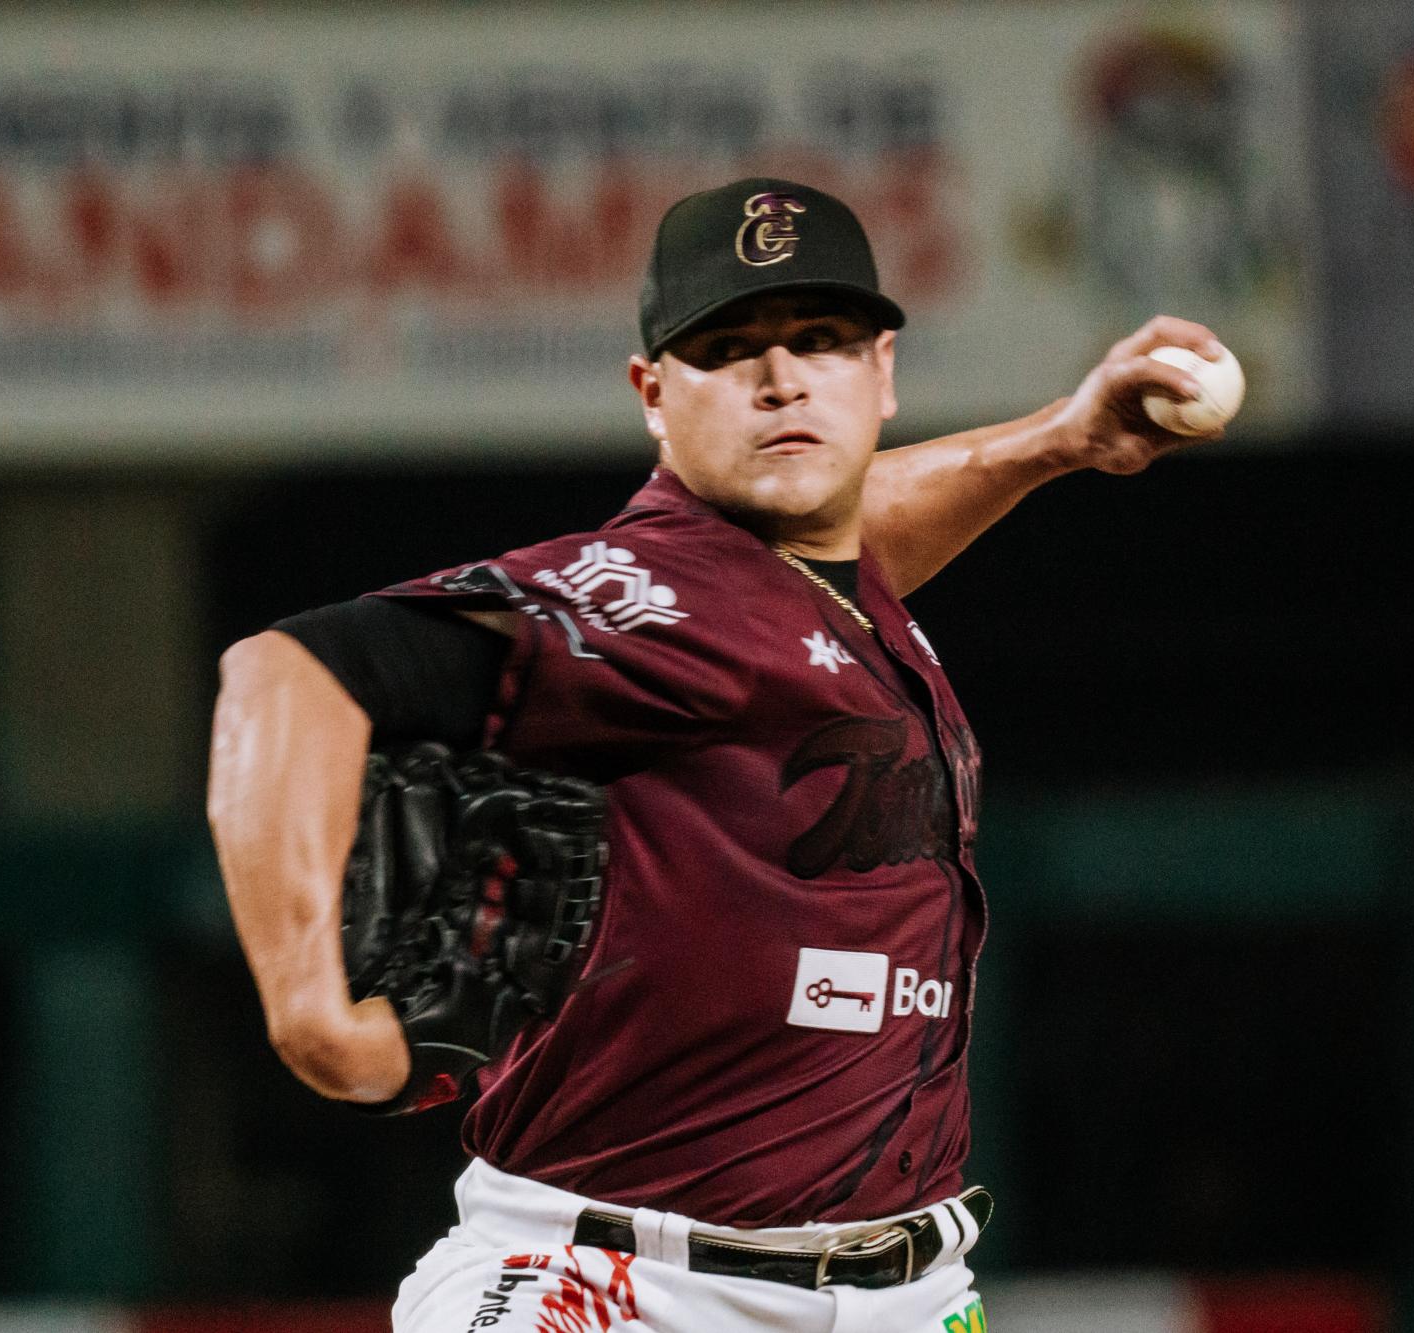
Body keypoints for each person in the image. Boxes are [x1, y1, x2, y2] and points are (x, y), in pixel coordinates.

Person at [207, 177, 1225, 1333]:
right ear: (652, 395)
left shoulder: (816, 585)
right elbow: (287, 673)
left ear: (881, 372)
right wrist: (309, 1012)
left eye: (819, 341)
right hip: (621, 1289)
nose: (779, 377)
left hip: (905, 1291)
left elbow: (850, 539)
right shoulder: (648, 595)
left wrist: (1054, 440)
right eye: (728, 347)